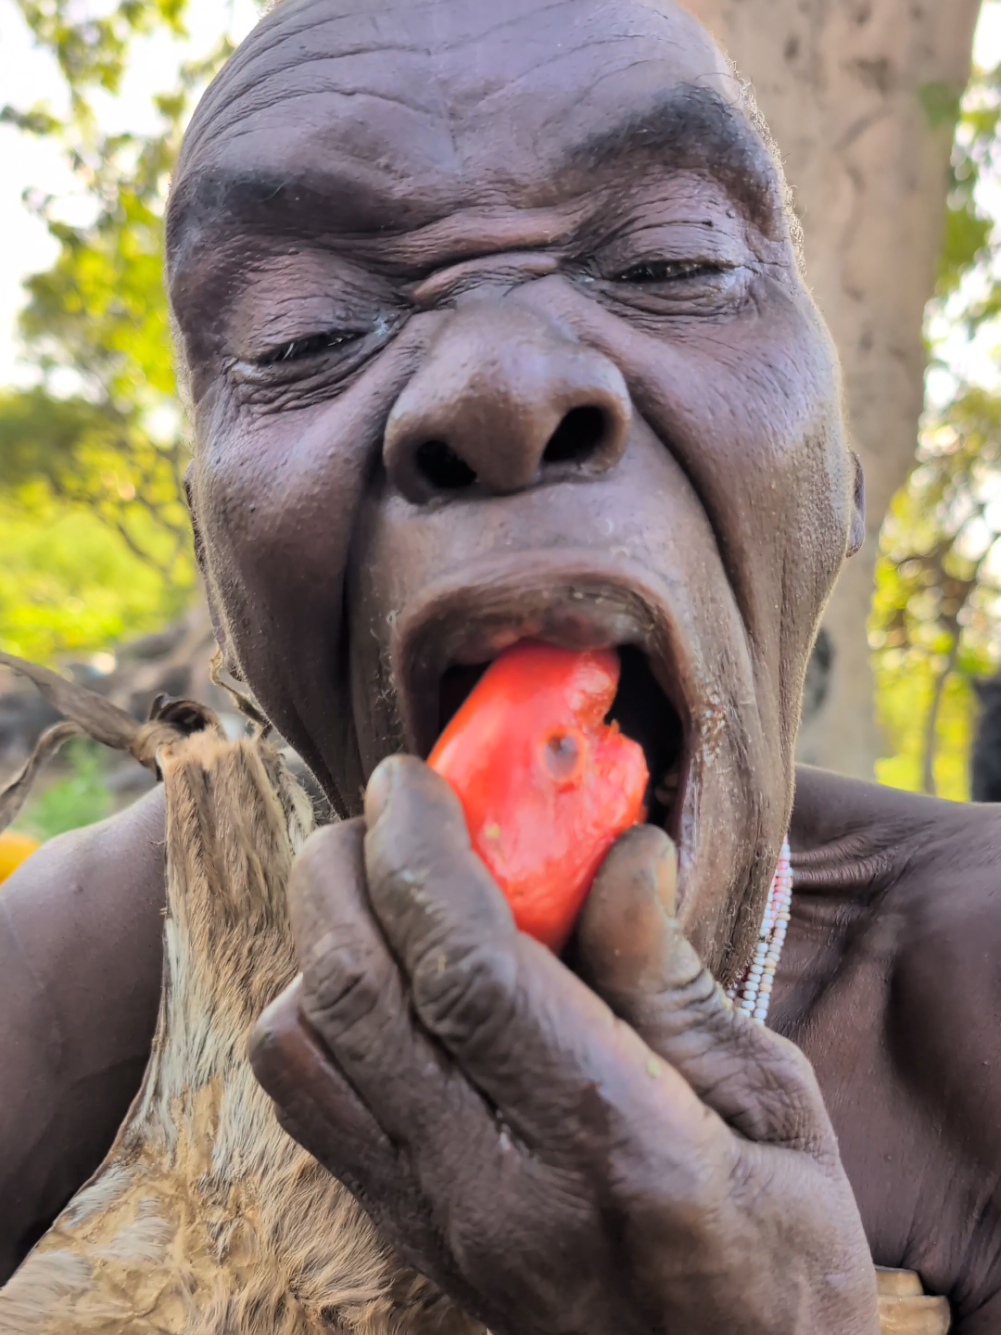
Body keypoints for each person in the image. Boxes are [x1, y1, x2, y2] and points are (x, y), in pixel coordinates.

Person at [2, 0, 1000, 1327]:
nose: (500, 385)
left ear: (843, 483)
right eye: (302, 333)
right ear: (214, 561)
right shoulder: (69, 987)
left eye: (671, 259)